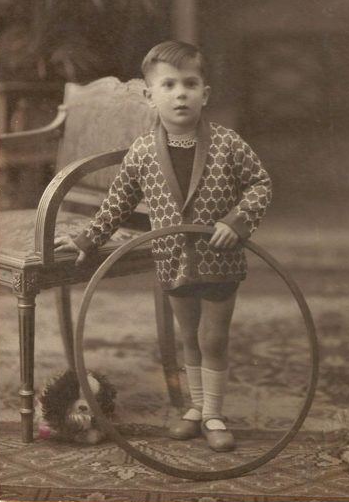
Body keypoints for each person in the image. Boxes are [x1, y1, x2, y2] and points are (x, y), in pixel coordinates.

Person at [55, 40, 272, 452]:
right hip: (173, 260)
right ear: (150, 96)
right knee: (188, 335)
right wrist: (88, 237)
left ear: (204, 94)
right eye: (168, 85)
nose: (180, 93)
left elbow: (261, 184)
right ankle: (195, 407)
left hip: (219, 257)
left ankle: (214, 414)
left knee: (214, 338)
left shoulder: (228, 144)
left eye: (190, 84)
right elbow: (116, 203)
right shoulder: (141, 154)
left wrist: (236, 222)